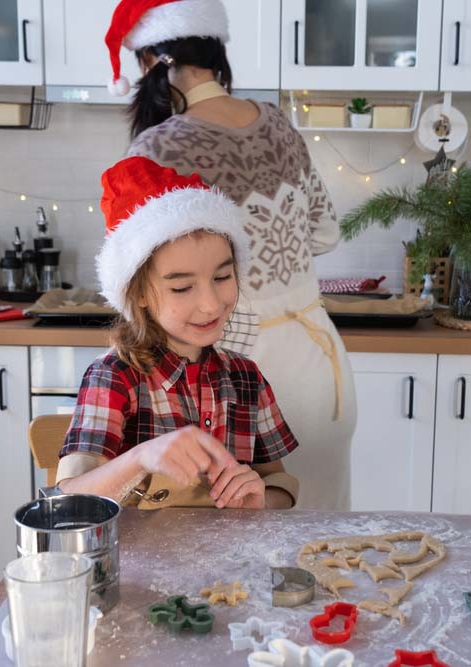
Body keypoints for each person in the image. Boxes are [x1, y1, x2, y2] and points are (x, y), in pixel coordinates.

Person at [103, 0, 357, 510]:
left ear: (154, 61)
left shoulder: (155, 147)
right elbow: (325, 232)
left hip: (228, 370)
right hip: (318, 360)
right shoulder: (278, 124)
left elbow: (137, 270)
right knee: (321, 539)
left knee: (224, 550)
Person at [56, 156, 300, 510]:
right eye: (182, 288)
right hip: (137, 565)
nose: (211, 304)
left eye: (222, 277)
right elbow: (70, 500)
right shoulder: (114, 377)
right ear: (137, 292)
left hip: (229, 563)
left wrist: (261, 498)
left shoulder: (246, 379)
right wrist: (141, 458)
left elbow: (280, 483)